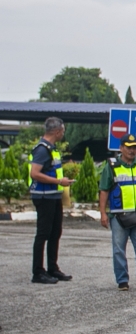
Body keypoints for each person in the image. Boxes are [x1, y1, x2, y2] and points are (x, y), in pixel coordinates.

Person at [98, 134, 136, 292]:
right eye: (128, 147)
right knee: (118, 250)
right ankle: (122, 281)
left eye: (134, 147)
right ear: (121, 148)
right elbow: (104, 190)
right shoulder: (112, 166)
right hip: (119, 216)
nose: (132, 150)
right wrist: (103, 213)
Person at [28, 117, 74, 284]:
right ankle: (38, 272)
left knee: (55, 233)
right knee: (43, 234)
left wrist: (60, 182)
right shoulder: (42, 150)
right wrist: (58, 181)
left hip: (54, 195)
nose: (63, 134)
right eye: (63, 131)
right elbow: (35, 173)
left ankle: (52, 269)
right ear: (57, 131)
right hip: (43, 196)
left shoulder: (52, 149)